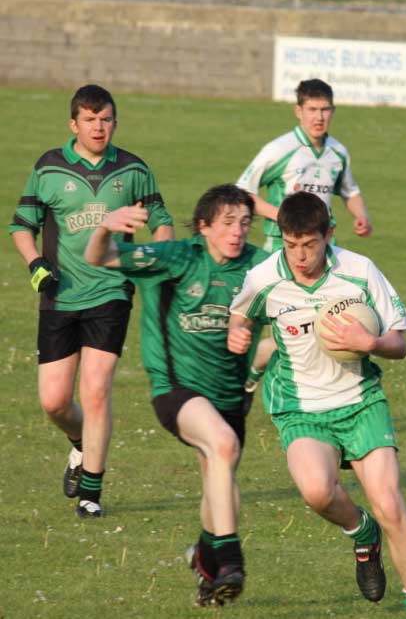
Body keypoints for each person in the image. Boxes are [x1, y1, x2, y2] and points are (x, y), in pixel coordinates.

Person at [227, 192, 406, 619]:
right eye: (291, 245)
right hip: (301, 407)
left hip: (361, 401)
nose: (300, 256)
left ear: (329, 234)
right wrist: (238, 333)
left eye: (309, 244)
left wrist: (371, 343)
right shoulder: (265, 277)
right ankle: (361, 531)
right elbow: (242, 317)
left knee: (390, 505)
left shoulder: (359, 271)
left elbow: (399, 343)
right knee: (315, 492)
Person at [85, 183, 268, 606]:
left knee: (221, 486)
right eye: (227, 224)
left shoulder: (261, 266)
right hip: (176, 390)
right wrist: (104, 228)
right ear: (203, 227)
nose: (238, 232)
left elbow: (296, 309)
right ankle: (229, 559)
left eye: (244, 223)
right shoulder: (176, 257)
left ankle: (205, 560)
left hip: (230, 396)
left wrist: (256, 343)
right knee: (221, 447)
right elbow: (101, 257)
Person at [9, 84, 174, 518]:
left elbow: (162, 223)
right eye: (89, 119)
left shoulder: (135, 170)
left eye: (105, 119)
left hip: (111, 293)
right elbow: (21, 225)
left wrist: (157, 261)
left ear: (114, 122)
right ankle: (80, 445)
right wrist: (34, 265)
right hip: (60, 295)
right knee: (54, 402)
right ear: (73, 124)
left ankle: (92, 493)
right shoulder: (49, 168)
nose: (98, 127)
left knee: (97, 389)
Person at [237, 78, 372, 254]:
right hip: (283, 244)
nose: (319, 117)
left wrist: (362, 216)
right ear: (298, 111)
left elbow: (350, 192)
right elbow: (241, 192)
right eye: (312, 109)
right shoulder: (279, 149)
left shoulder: (338, 152)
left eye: (325, 109)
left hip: (324, 243)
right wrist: (282, 216)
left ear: (333, 111)